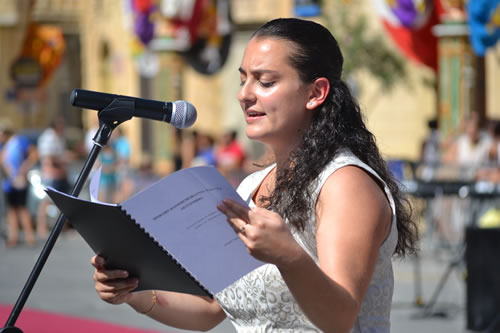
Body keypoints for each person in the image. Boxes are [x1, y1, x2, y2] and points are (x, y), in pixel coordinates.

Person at [90, 18, 418, 332]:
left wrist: (289, 255)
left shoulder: (344, 184)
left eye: (265, 81)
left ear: (316, 93)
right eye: (243, 78)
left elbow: (340, 319)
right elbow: (209, 310)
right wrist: (134, 292)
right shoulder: (251, 186)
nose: (245, 94)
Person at [0, 122, 37, 247]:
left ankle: (29, 236)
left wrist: (24, 167)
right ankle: (13, 236)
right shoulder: (4, 146)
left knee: (22, 208)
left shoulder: (19, 141)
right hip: (9, 183)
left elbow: (33, 154)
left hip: (19, 180)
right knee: (12, 210)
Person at [36, 117, 70, 239]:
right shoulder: (48, 137)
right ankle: (42, 228)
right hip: (52, 175)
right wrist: (61, 163)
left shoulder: (58, 137)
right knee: (46, 202)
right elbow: (48, 159)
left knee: (63, 202)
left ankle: (62, 228)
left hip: (60, 174)